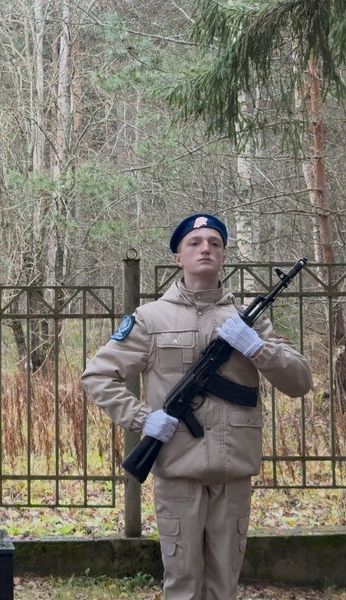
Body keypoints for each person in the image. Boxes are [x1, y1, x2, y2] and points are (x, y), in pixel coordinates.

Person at [81, 213, 312, 600]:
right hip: (177, 472)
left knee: (224, 586)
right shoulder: (150, 319)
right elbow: (97, 376)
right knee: (184, 586)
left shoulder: (250, 321)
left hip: (233, 473)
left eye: (215, 243)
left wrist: (257, 347)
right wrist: (143, 417)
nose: (206, 248)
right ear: (178, 257)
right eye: (195, 242)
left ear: (223, 256)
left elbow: (300, 381)